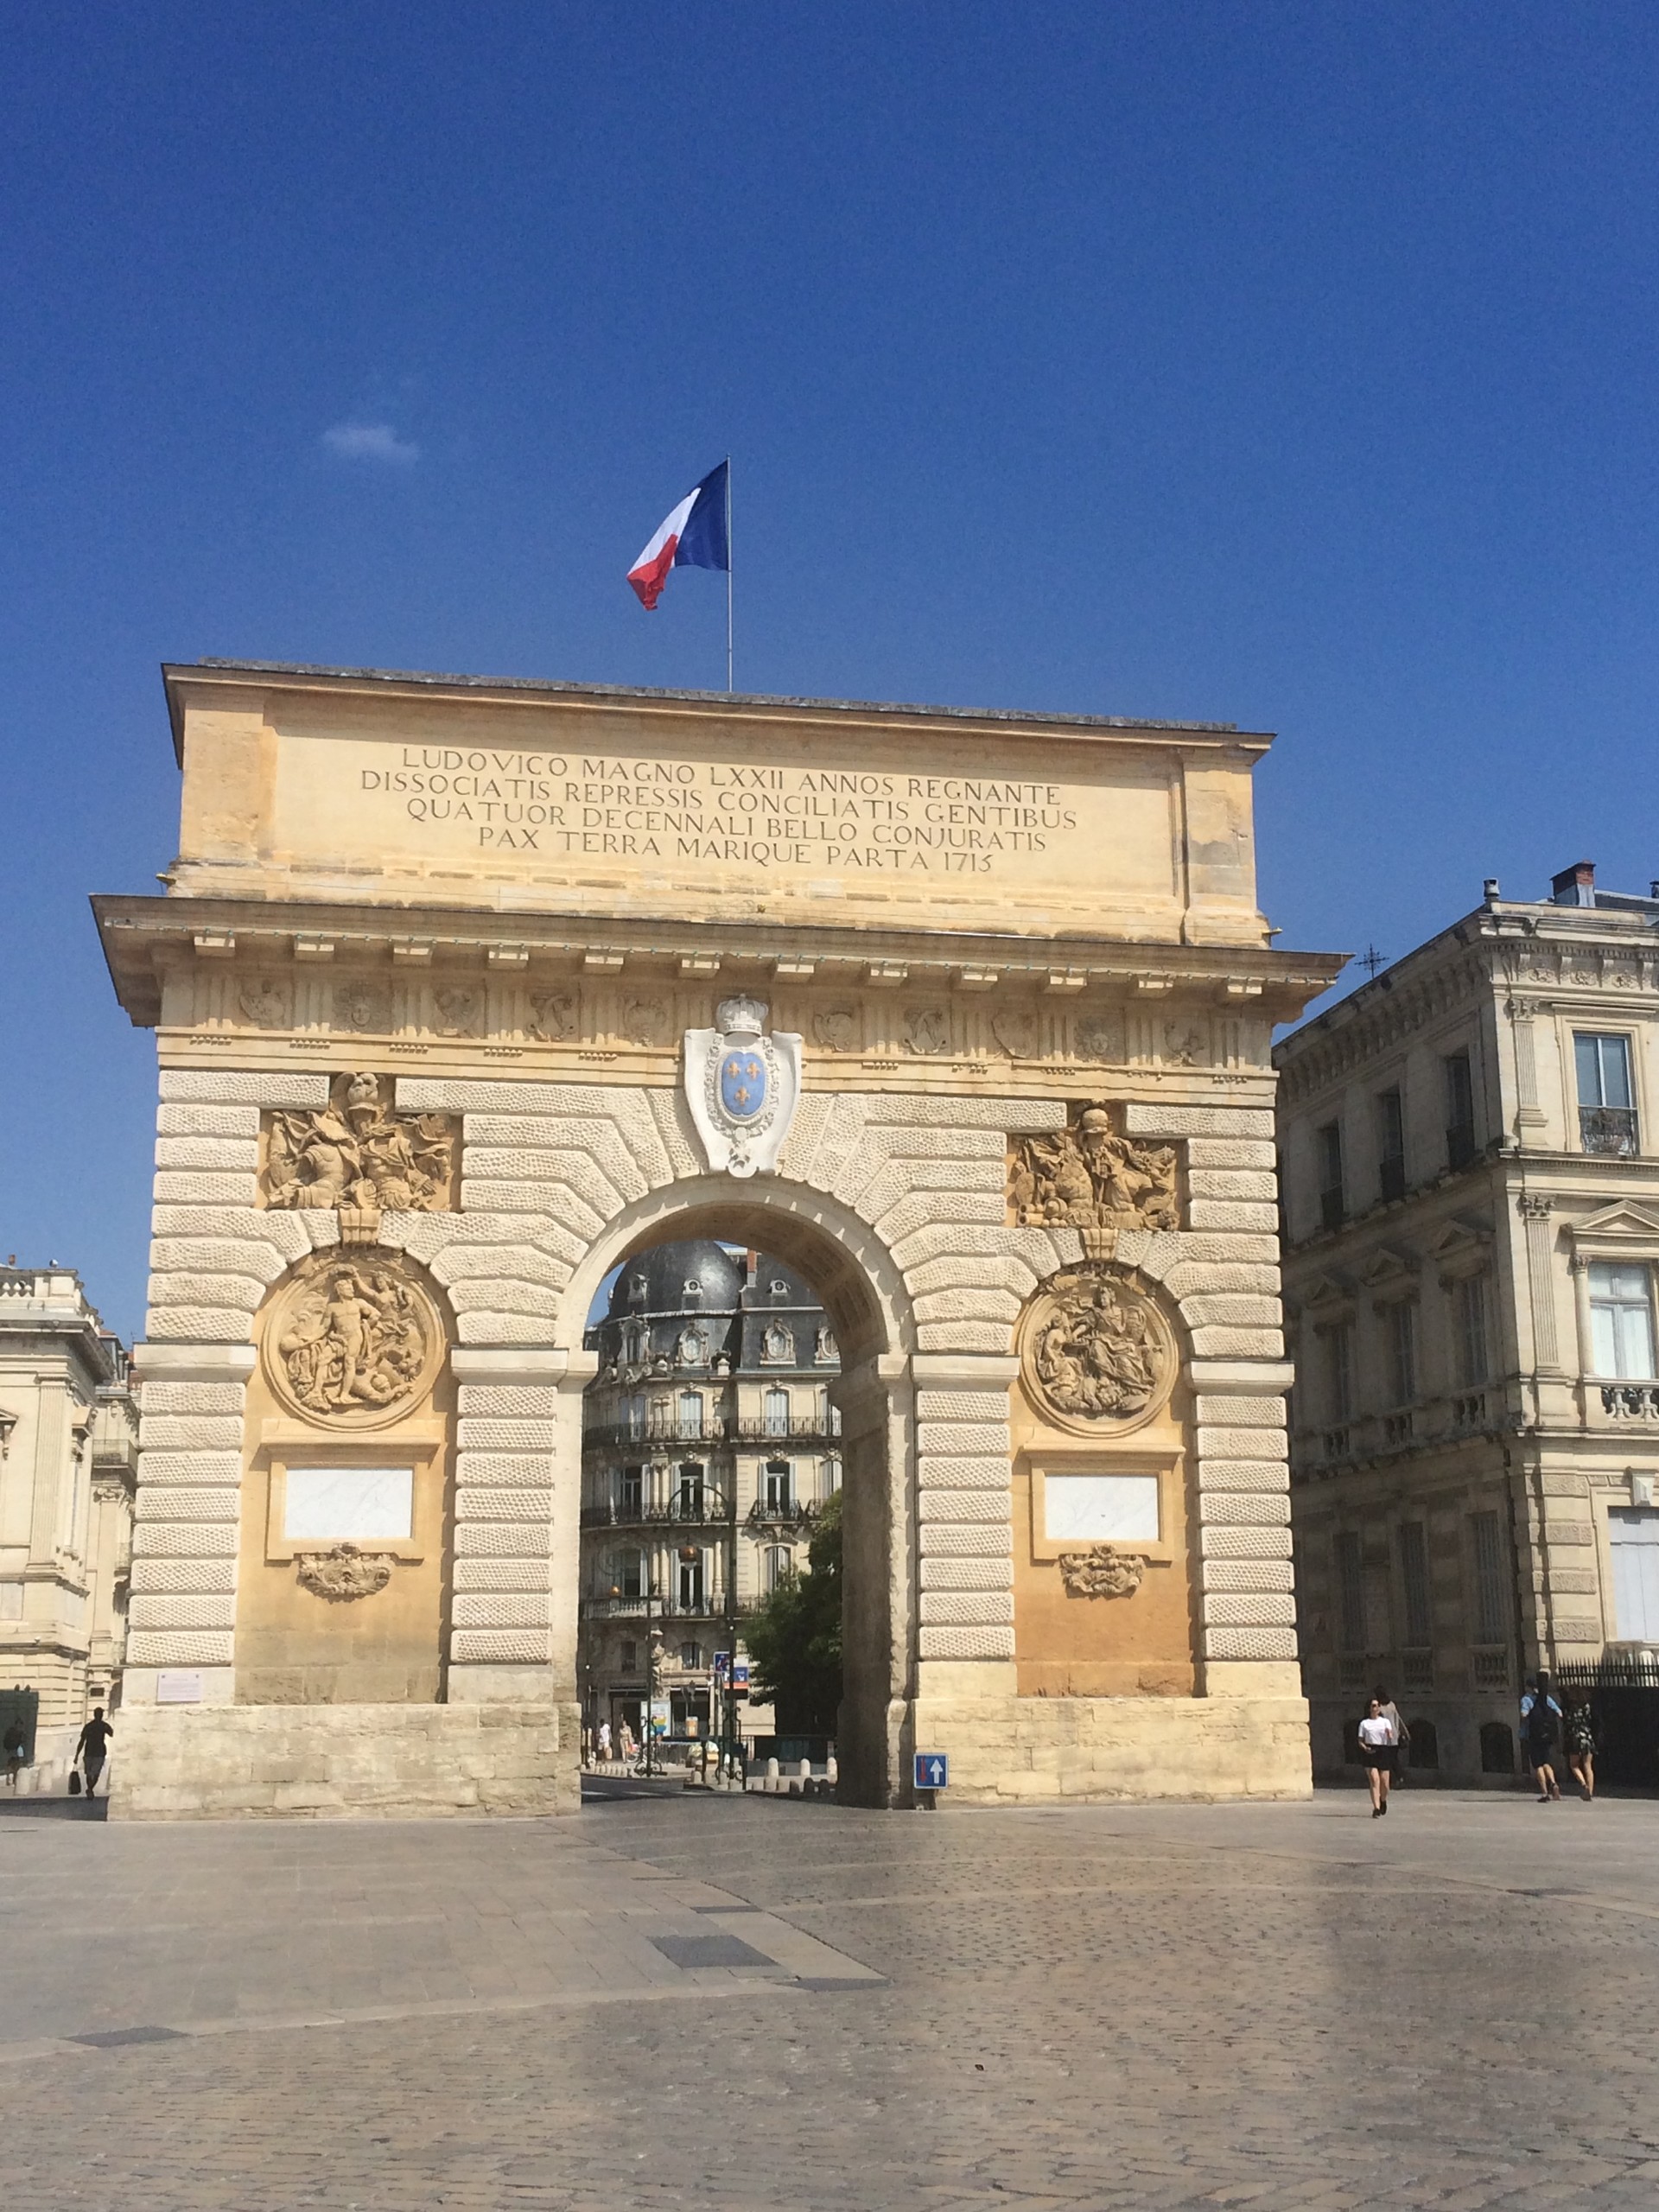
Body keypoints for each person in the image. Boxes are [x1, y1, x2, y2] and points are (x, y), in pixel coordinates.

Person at [1521, 1671, 1564, 1802]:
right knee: (1546, 1762)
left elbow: (1524, 1714)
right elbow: (1559, 1713)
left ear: (1528, 1687)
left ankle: (1545, 1793)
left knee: (1538, 1765)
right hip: (1547, 1735)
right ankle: (1554, 1783)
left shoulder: (1526, 1699)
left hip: (1533, 1735)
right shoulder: (1547, 1699)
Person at [1357, 1697, 1398, 1816]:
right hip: (1370, 1750)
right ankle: (1376, 1808)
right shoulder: (1364, 1723)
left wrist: (1390, 1734)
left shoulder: (1385, 1722)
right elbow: (1360, 1740)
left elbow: (1390, 1734)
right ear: (1369, 1708)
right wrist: (1365, 1748)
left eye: (1377, 1705)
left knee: (1385, 1784)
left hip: (1383, 1750)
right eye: (1373, 1705)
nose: (1376, 1708)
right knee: (1374, 1780)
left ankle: (1383, 1800)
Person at [1373, 1684, 1410, 1783]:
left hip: (1385, 1738)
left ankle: (1396, 1778)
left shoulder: (1379, 1708)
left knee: (1386, 1759)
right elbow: (1398, 1719)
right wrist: (1404, 1732)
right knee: (1393, 1758)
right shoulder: (1392, 1705)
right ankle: (1398, 1778)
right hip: (1394, 1736)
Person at [74, 1707, 113, 1802]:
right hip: (98, 1752)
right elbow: (111, 1733)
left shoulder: (89, 1726)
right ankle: (90, 1788)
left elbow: (82, 1741)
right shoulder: (102, 1726)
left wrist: (77, 1755)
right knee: (94, 1773)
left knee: (91, 1773)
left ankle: (90, 1788)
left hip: (91, 1752)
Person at [1566, 1700, 1597, 1802]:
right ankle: (1590, 1792)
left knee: (1574, 1765)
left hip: (1576, 1738)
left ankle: (1584, 1785)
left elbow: (1568, 1723)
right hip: (1587, 1737)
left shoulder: (1572, 1709)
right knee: (1588, 1765)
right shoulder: (1587, 1707)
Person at [3, 1719, 25, 1790]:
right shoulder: (20, 1732)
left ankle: (8, 1778)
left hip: (10, 1750)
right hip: (16, 1750)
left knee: (10, 1765)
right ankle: (14, 1780)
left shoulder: (9, 1731)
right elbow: (22, 1741)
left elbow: (5, 1741)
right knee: (16, 1766)